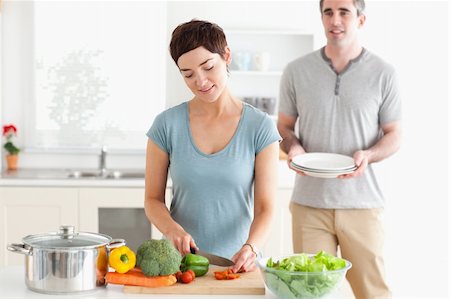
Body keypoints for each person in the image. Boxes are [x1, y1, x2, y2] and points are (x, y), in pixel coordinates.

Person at [277, 0, 401, 298]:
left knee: (373, 293)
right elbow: (283, 128)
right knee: (309, 293)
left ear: (361, 20)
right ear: (321, 18)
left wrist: (368, 155)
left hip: (362, 204)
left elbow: (394, 134)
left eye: (344, 11)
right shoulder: (296, 71)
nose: (335, 19)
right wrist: (293, 148)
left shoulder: (384, 73)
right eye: (328, 12)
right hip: (309, 204)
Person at [144, 20, 281, 273]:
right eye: (188, 74)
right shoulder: (166, 125)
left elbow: (266, 208)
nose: (201, 81)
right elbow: (153, 200)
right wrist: (173, 230)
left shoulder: (260, 127)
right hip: (179, 265)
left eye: (208, 67)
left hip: (239, 265)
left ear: (226, 55)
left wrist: (251, 247)